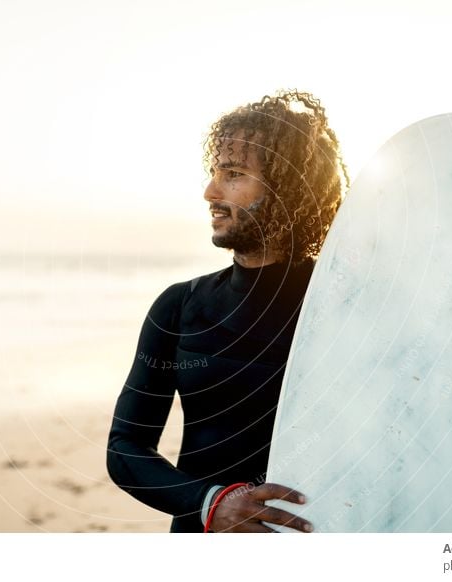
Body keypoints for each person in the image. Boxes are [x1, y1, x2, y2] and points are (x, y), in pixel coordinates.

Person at [107, 90, 348, 532]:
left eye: (233, 174)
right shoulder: (179, 306)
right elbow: (126, 447)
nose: (210, 192)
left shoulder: (345, 307)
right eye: (215, 172)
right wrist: (210, 503)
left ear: (289, 189)